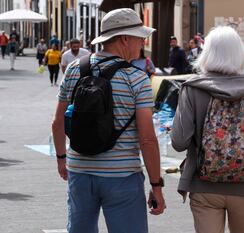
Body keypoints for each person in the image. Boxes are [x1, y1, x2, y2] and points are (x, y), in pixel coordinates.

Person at [51, 8, 165, 233]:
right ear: (124, 38)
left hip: (79, 171)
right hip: (122, 176)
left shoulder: (75, 69)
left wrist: (61, 158)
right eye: (140, 37)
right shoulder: (137, 79)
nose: (143, 42)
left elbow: (57, 122)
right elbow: (147, 139)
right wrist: (156, 185)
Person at [171, 26, 244, 233]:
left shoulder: (192, 88)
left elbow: (179, 142)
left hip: (204, 185)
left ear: (207, 53)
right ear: (240, 54)